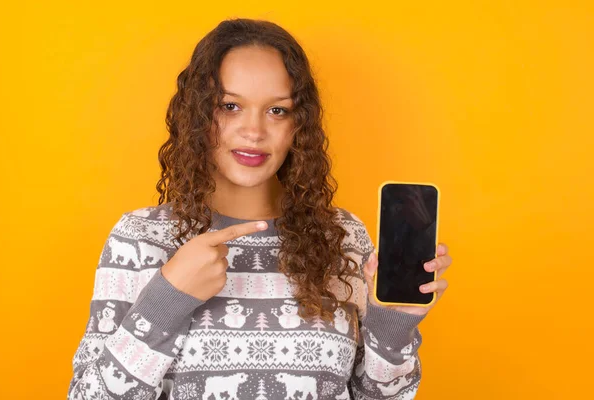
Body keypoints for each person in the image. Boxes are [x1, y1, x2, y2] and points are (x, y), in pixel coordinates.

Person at [67, 18, 452, 400]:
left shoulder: (343, 237)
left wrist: (393, 324)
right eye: (230, 106)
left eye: (277, 111)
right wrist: (166, 299)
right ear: (199, 115)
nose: (254, 131)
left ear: (299, 124)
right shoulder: (140, 239)